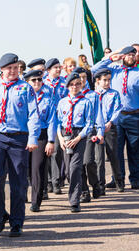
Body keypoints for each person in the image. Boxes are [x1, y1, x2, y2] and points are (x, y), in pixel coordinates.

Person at [0, 53, 41, 237]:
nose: (13, 71)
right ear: (2, 71)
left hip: (18, 137)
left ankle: (16, 221)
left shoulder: (25, 88)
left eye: (16, 68)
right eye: (9, 68)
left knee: (18, 181)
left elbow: (33, 115)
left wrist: (32, 137)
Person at [92, 46, 139, 189]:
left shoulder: (138, 72)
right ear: (123, 56)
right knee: (115, 150)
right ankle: (117, 178)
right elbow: (94, 70)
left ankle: (135, 179)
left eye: (133, 54)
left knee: (134, 149)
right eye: (128, 54)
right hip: (116, 117)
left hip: (134, 116)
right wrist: (112, 56)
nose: (131, 57)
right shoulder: (114, 69)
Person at [56, 72, 94, 213]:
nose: (75, 87)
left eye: (77, 84)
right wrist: (60, 138)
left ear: (81, 85)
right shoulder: (62, 102)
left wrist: (78, 138)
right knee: (67, 171)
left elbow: (89, 124)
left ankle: (74, 200)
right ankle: (81, 190)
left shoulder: (86, 102)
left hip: (79, 135)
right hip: (65, 134)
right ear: (67, 86)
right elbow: (58, 123)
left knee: (76, 167)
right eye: (71, 84)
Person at [24, 70, 57, 212]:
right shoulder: (22, 98)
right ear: (27, 82)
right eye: (34, 80)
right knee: (25, 169)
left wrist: (51, 140)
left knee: (38, 168)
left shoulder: (48, 99)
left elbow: (51, 121)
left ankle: (35, 201)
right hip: (25, 135)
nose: (37, 82)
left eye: (39, 79)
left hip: (41, 136)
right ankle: (22, 195)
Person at [72, 67, 105, 202]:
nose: (82, 80)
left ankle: (95, 184)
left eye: (84, 77)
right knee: (78, 164)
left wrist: (100, 132)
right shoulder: (70, 96)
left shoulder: (93, 95)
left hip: (90, 132)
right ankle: (84, 191)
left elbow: (99, 115)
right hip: (75, 132)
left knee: (89, 161)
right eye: (79, 77)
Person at [93, 68, 124, 192]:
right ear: (98, 81)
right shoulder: (93, 95)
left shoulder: (114, 93)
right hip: (97, 129)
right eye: (104, 80)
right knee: (99, 158)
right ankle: (100, 184)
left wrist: (111, 122)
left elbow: (118, 109)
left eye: (109, 80)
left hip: (109, 128)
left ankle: (119, 181)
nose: (107, 83)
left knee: (113, 155)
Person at [44, 58, 68, 194]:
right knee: (45, 153)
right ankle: (48, 182)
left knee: (57, 152)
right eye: (55, 68)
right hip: (46, 120)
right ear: (48, 70)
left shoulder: (64, 83)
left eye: (59, 67)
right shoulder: (43, 83)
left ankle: (57, 181)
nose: (58, 70)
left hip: (59, 121)